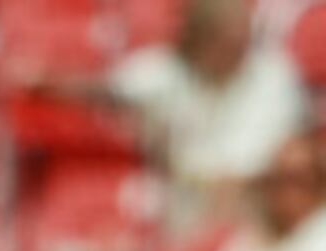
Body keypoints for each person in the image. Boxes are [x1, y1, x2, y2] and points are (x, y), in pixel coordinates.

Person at [112, 0, 305, 207]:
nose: (234, 50)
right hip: (172, 196)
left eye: (240, 41)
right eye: (220, 41)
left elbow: (246, 168)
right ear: (195, 39)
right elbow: (101, 104)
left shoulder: (273, 77)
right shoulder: (159, 71)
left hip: (250, 200)